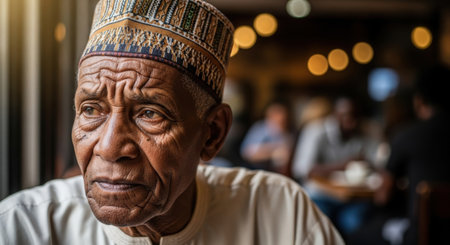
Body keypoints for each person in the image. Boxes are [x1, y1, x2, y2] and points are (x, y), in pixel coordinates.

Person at [0, 0, 344, 244]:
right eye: (91, 110)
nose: (108, 147)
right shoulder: (23, 228)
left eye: (150, 113)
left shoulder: (280, 215)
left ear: (213, 134)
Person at [351, 65, 450, 245]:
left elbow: (383, 196)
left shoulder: (406, 136)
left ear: (418, 101)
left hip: (420, 236)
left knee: (356, 235)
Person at [291, 97, 379, 236]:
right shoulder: (316, 131)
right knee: (320, 228)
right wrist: (343, 166)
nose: (351, 121)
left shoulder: (363, 132)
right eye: (345, 115)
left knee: (355, 224)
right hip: (320, 194)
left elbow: (377, 161)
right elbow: (302, 169)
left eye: (355, 116)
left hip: (352, 198)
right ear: (334, 115)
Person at [240, 99, 294, 172]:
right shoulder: (260, 129)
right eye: (277, 113)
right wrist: (272, 153)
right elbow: (248, 153)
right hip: (258, 171)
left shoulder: (288, 132)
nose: (281, 117)